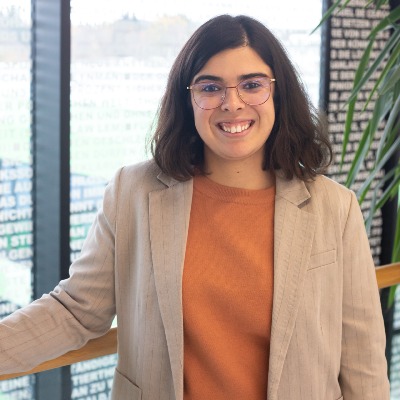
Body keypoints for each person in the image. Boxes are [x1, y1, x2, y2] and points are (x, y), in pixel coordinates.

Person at [0, 14, 390, 400]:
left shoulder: (335, 208)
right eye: (210, 87)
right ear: (188, 99)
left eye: (252, 85)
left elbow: (363, 367)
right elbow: (76, 310)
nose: (232, 103)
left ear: (279, 93)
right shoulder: (132, 192)